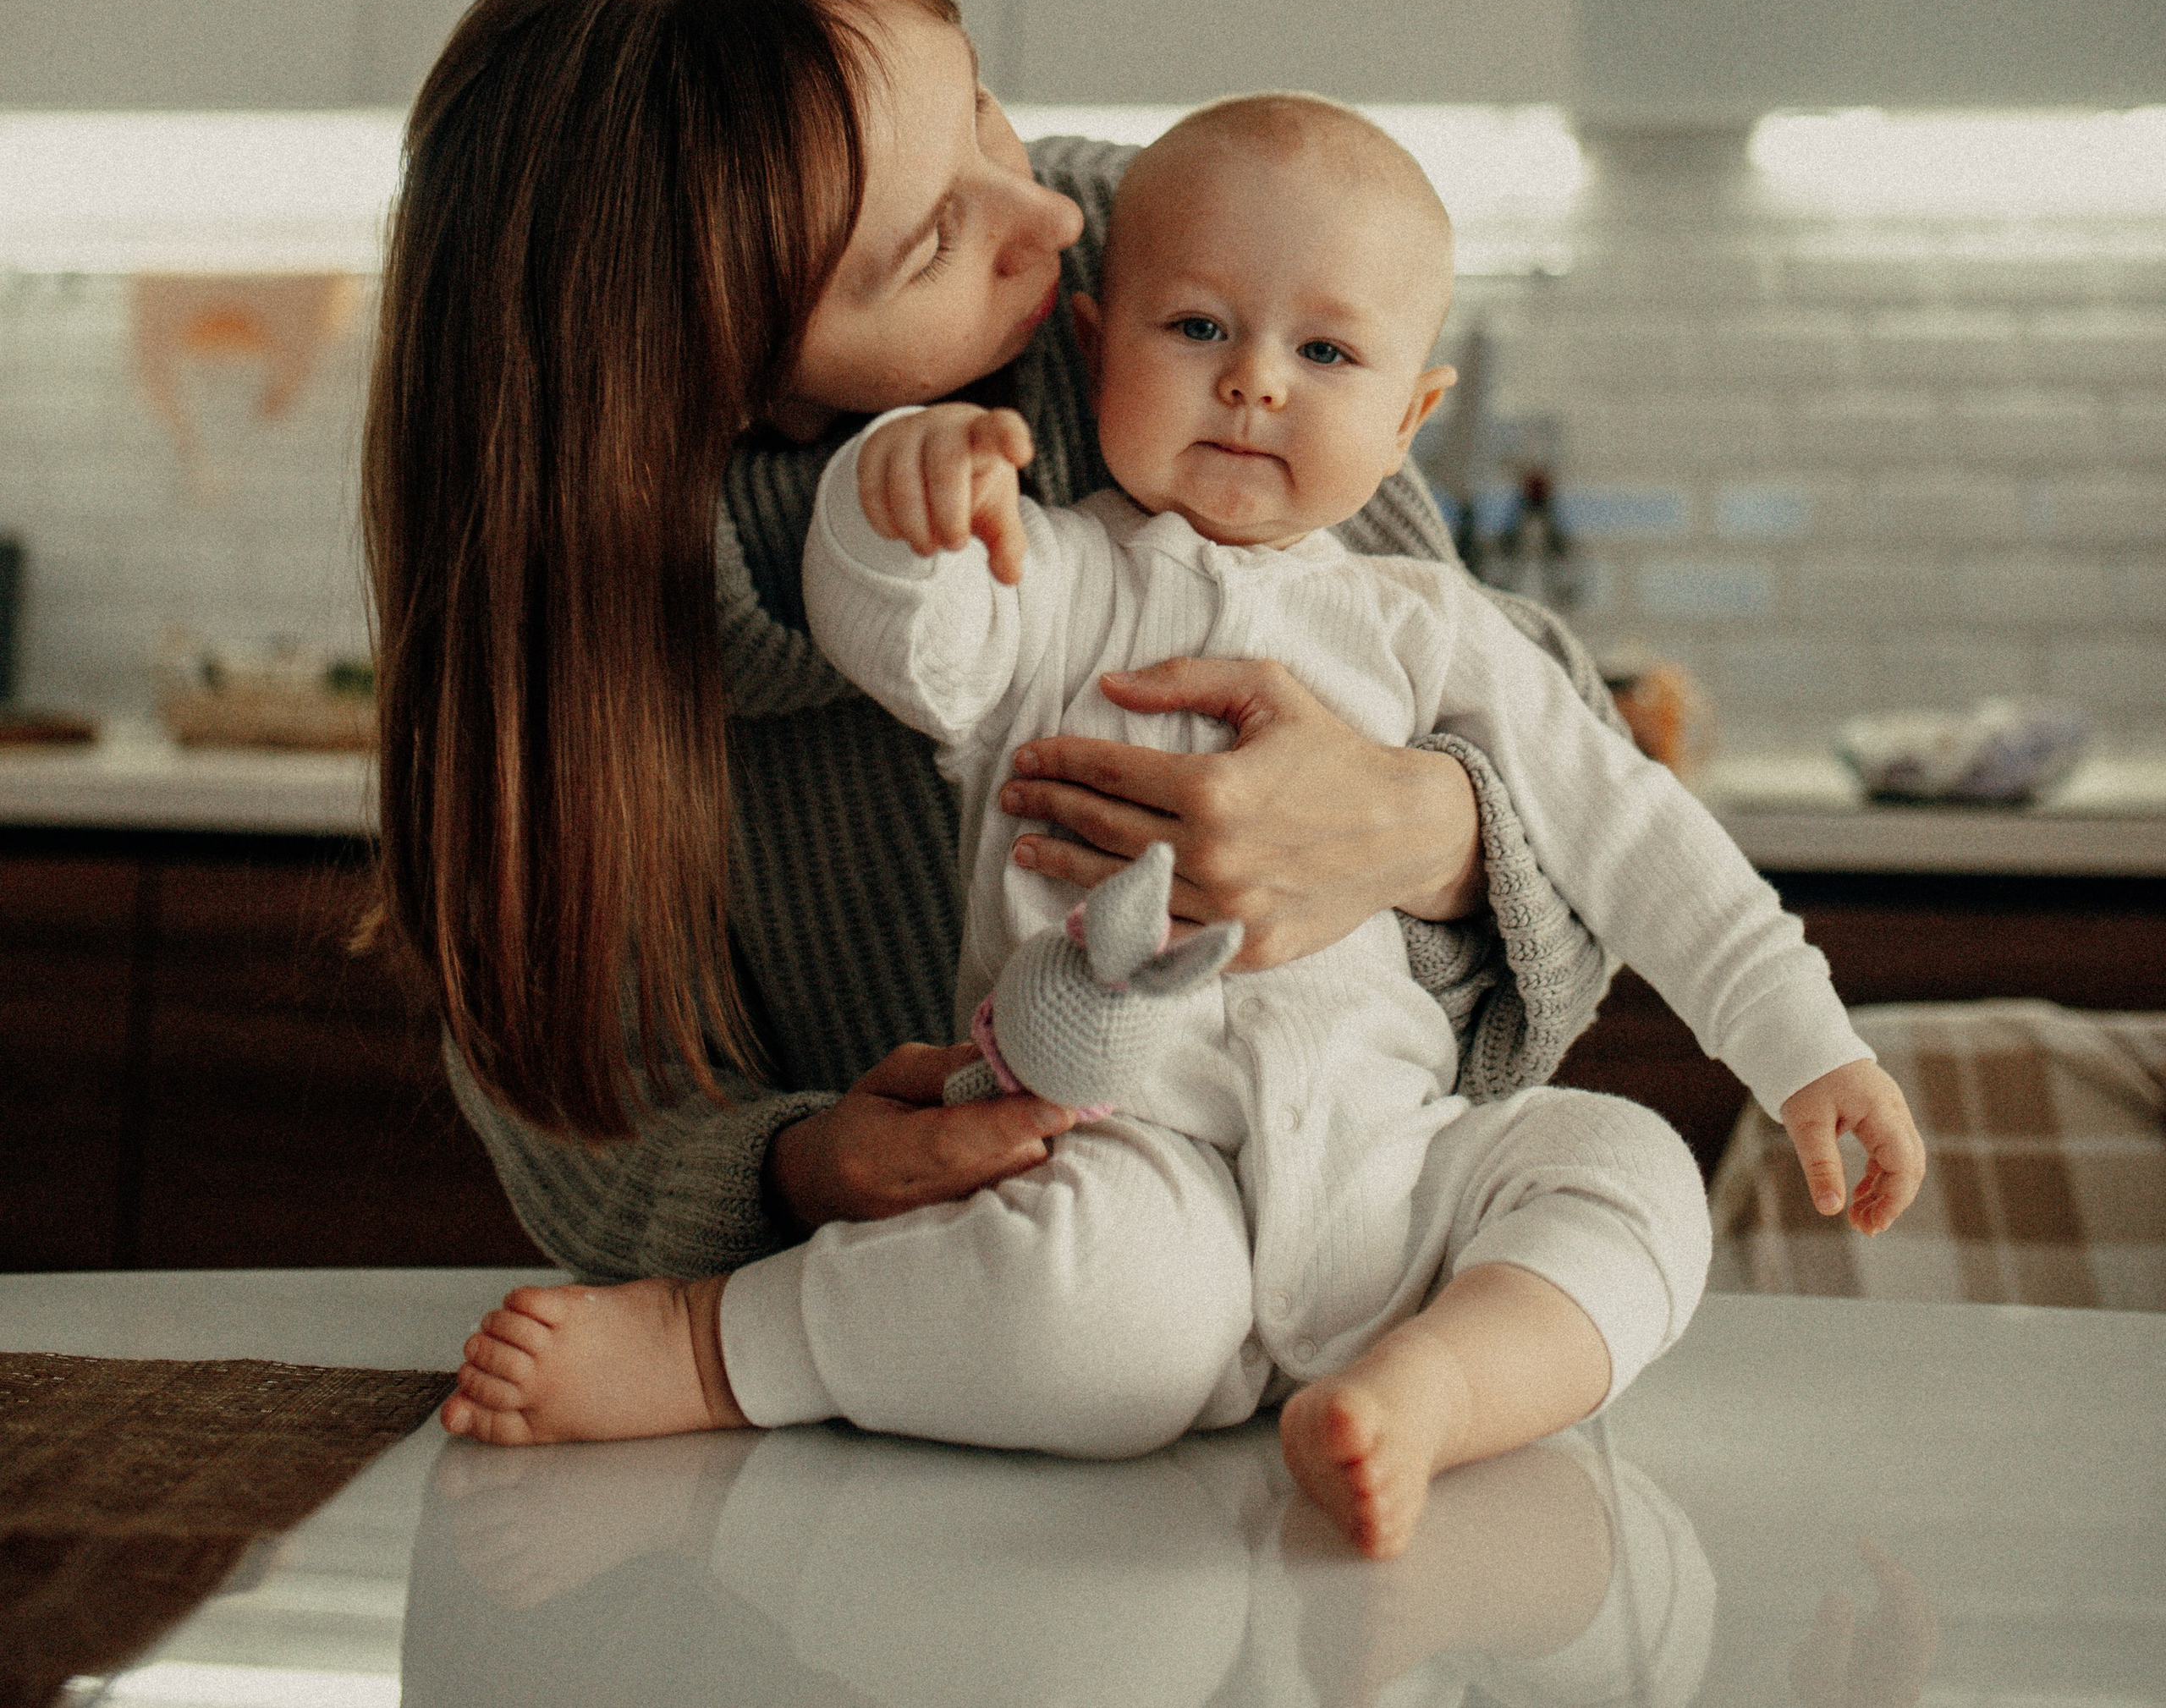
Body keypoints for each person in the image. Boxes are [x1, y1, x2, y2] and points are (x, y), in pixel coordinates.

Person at [443, 94, 1925, 1556]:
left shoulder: (1434, 629)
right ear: (1097, 354)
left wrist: (1809, 1048)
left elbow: (1636, 835)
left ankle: (1432, 1393)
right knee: (1102, 1331)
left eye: (1327, 354)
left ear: (1411, 416)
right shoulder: (1055, 577)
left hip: (1401, 1168)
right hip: (1123, 1167)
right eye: (1197, 331)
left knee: (1631, 1174)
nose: (1256, 385)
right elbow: (912, 647)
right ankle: (719, 1350)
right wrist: (886, 511)